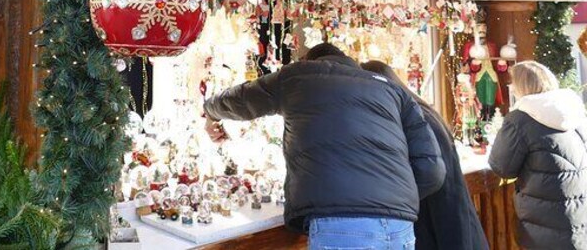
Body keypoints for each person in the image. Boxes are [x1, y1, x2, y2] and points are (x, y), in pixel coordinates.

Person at [204, 43, 445, 250]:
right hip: (400, 228)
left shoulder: (298, 77)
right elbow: (433, 171)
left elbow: (242, 99)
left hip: (342, 225)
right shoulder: (393, 91)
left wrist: (209, 110)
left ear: (310, 61)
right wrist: (391, 197)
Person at [361, 60, 488, 250]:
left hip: (439, 227)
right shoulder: (420, 112)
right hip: (449, 224)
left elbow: (437, 182)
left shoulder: (413, 119)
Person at [489, 61, 587, 250]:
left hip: (545, 221)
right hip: (580, 217)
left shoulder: (521, 119)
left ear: (520, 87)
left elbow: (502, 168)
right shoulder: (574, 111)